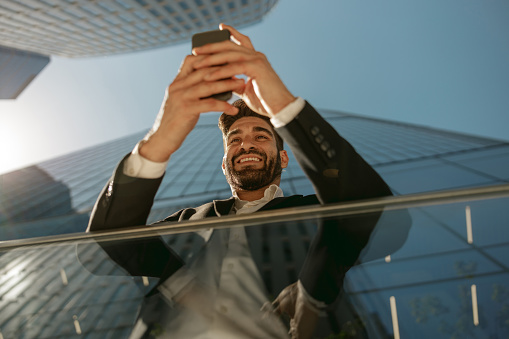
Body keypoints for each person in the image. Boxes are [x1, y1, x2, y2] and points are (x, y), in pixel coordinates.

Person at [86, 24, 396, 338]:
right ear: (224, 164)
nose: (246, 145)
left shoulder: (317, 211)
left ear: (284, 158)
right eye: (235, 140)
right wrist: (158, 142)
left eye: (261, 136)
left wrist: (281, 106)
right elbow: (97, 254)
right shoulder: (184, 222)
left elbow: (384, 217)